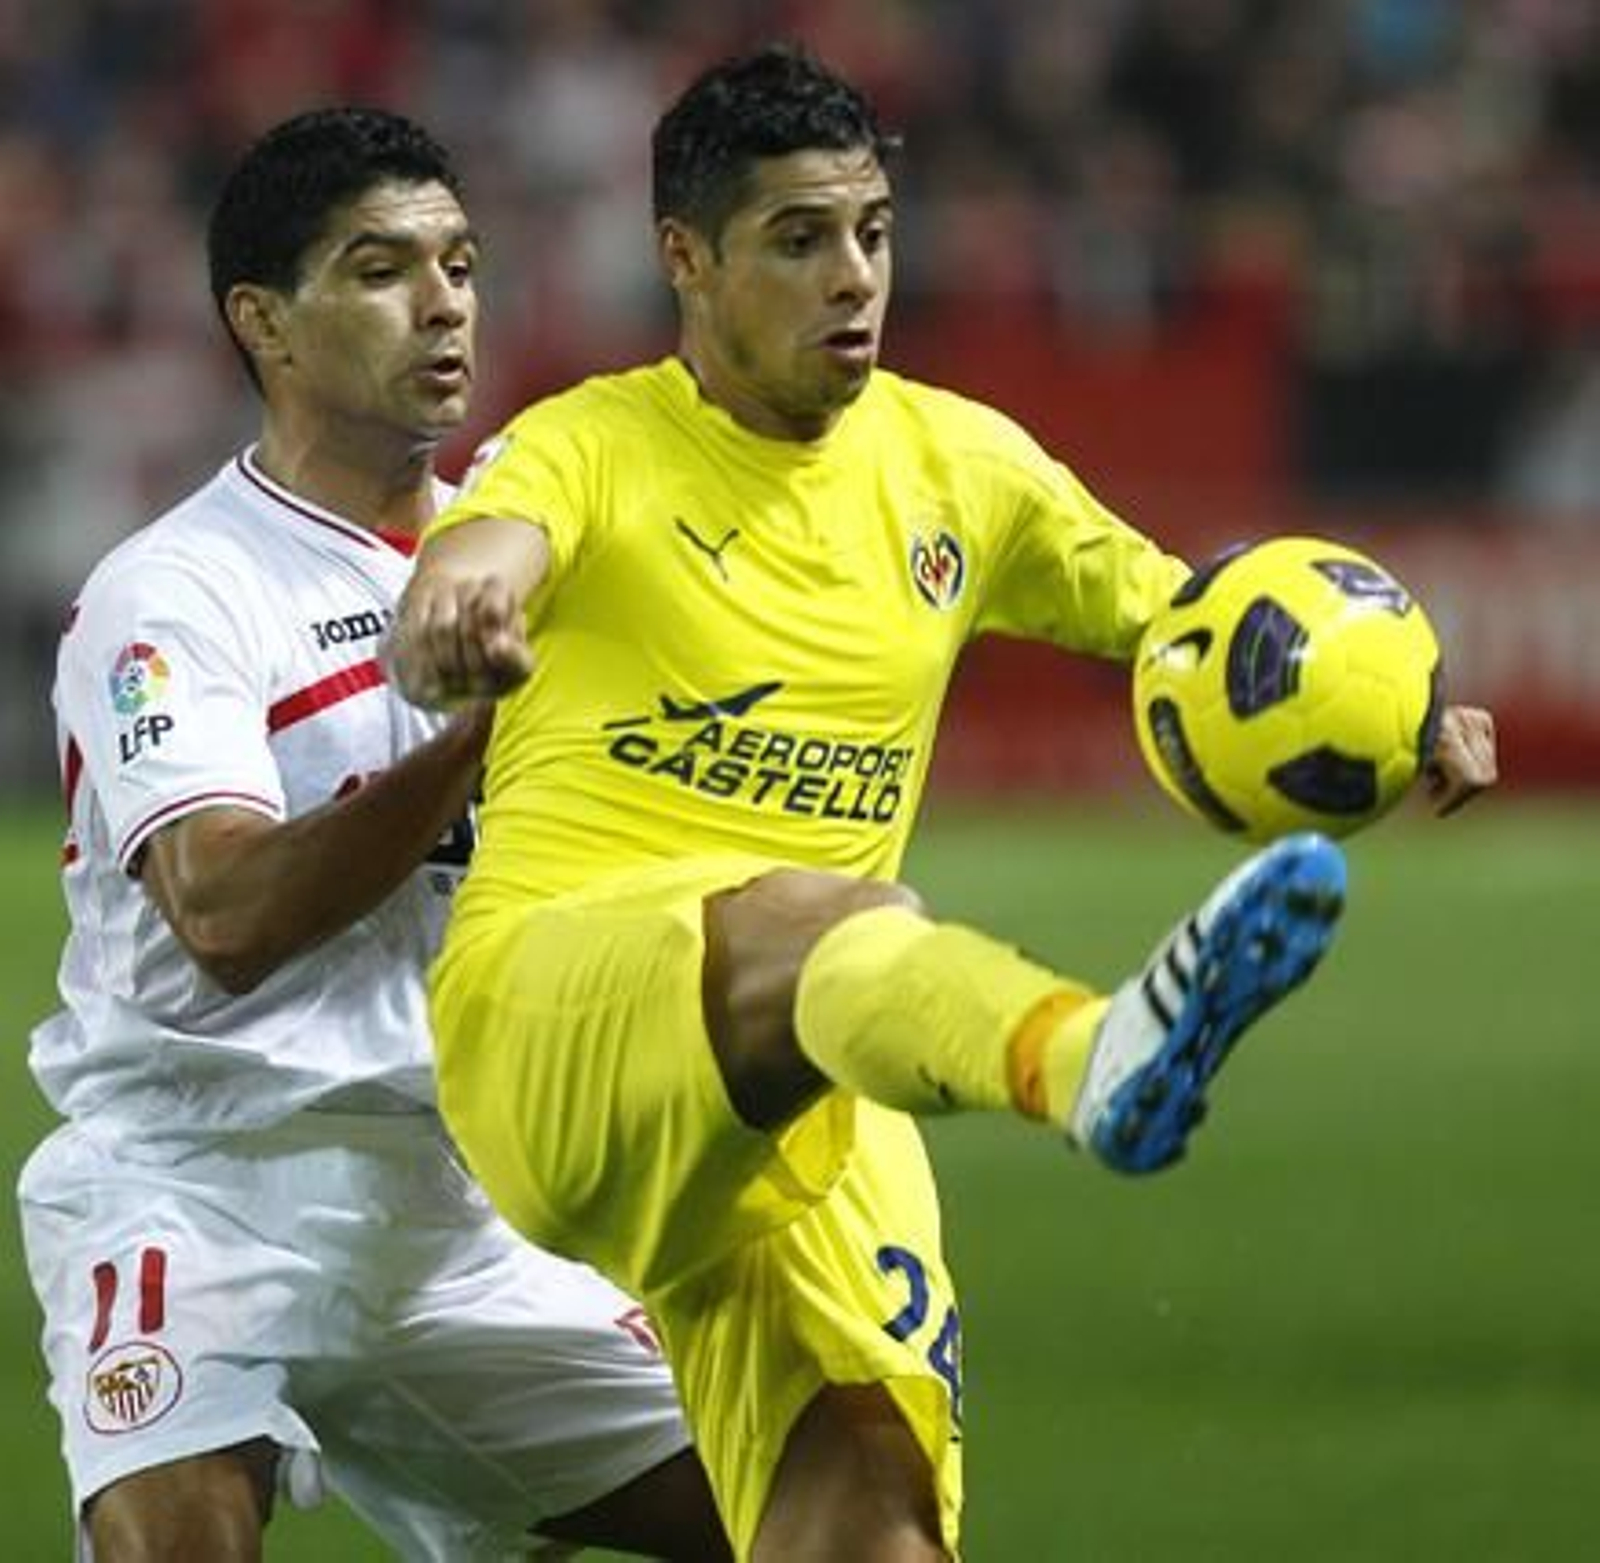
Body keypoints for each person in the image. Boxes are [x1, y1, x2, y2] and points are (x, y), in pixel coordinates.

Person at [385, 45, 1500, 1562]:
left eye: (874, 233)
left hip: (814, 1095)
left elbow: (1205, 631)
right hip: (552, 1021)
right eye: (799, 239)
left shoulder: (957, 465)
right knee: (828, 913)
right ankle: (1087, 1055)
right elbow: (481, 552)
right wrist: (458, 611)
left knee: (874, 1523)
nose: (854, 277)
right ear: (685, 259)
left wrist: (1405, 712)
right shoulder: (591, 443)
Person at [16, 107, 730, 1562]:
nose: (446, 300)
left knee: (835, 1510)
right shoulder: (178, 595)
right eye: (383, 267)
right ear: (264, 323)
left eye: (460, 263)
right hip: (199, 1179)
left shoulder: (519, 554)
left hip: (462, 1204)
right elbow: (224, 918)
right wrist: (480, 736)